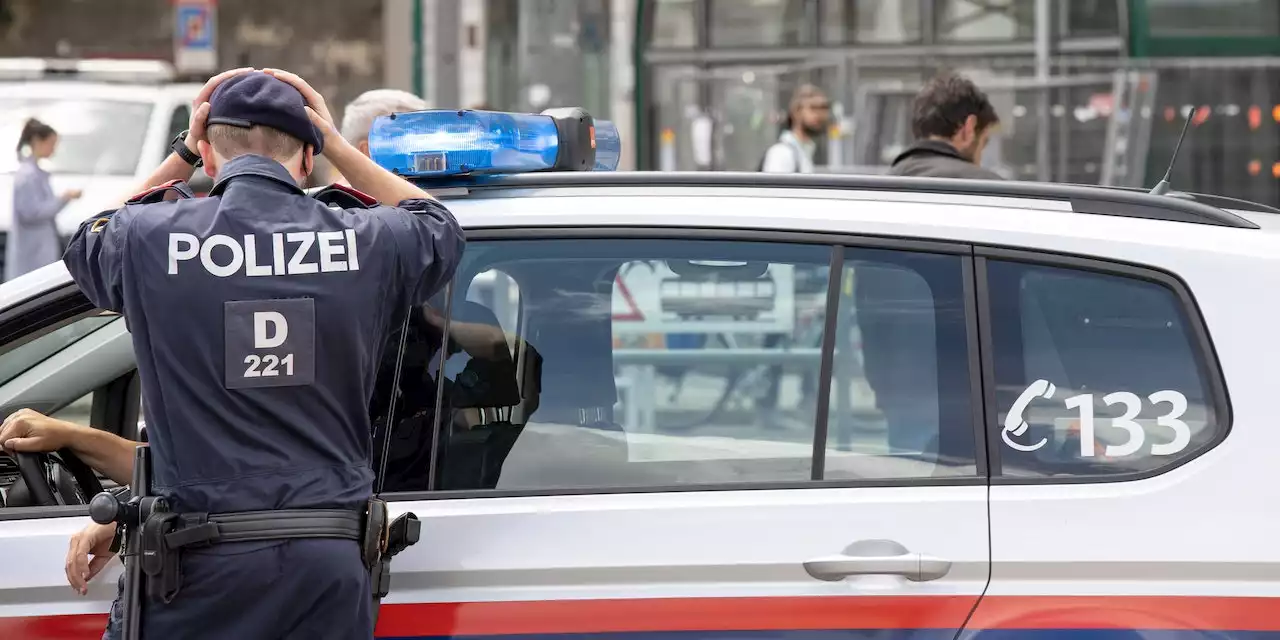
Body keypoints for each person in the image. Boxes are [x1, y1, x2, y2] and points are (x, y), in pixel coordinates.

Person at [55, 67, 463, 639]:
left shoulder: (150, 238)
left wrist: (181, 156)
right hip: (326, 566)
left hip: (194, 569)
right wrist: (341, 147)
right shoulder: (367, 239)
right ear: (306, 157)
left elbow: (86, 240)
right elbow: (438, 224)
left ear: (209, 152)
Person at [887, 72, 1003, 180]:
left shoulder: (882, 186)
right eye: (984, 143)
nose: (980, 159)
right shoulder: (990, 190)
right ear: (968, 130)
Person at [7, 118, 83, 281]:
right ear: (37, 141)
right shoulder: (27, 176)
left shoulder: (35, 174)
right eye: (51, 144)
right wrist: (64, 198)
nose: (53, 150)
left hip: (40, 249)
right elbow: (31, 213)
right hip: (33, 252)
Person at [760, 84, 830, 174]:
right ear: (796, 112)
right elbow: (774, 187)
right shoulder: (782, 153)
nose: (820, 114)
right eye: (813, 108)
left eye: (824, 108)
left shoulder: (804, 151)